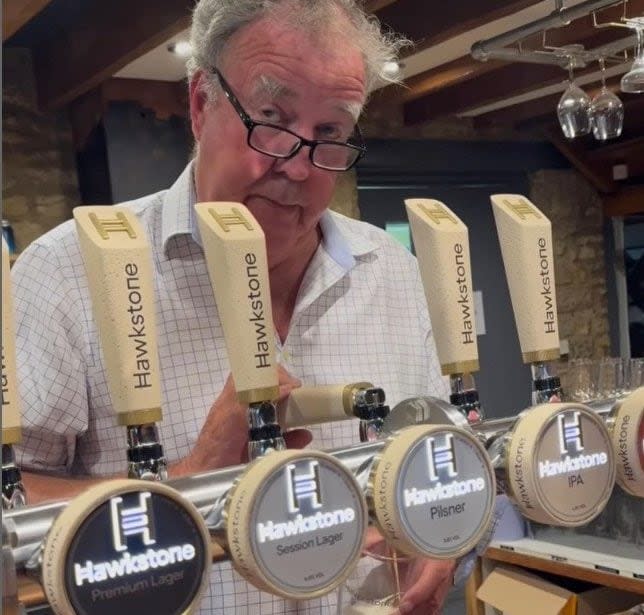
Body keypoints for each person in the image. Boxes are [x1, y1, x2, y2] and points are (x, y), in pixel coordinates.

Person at [12, 0, 455, 612]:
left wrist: (442, 532)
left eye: (329, 133)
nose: (298, 168)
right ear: (200, 105)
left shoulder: (392, 273)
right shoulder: (69, 272)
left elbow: (437, 442)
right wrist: (187, 483)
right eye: (271, 118)